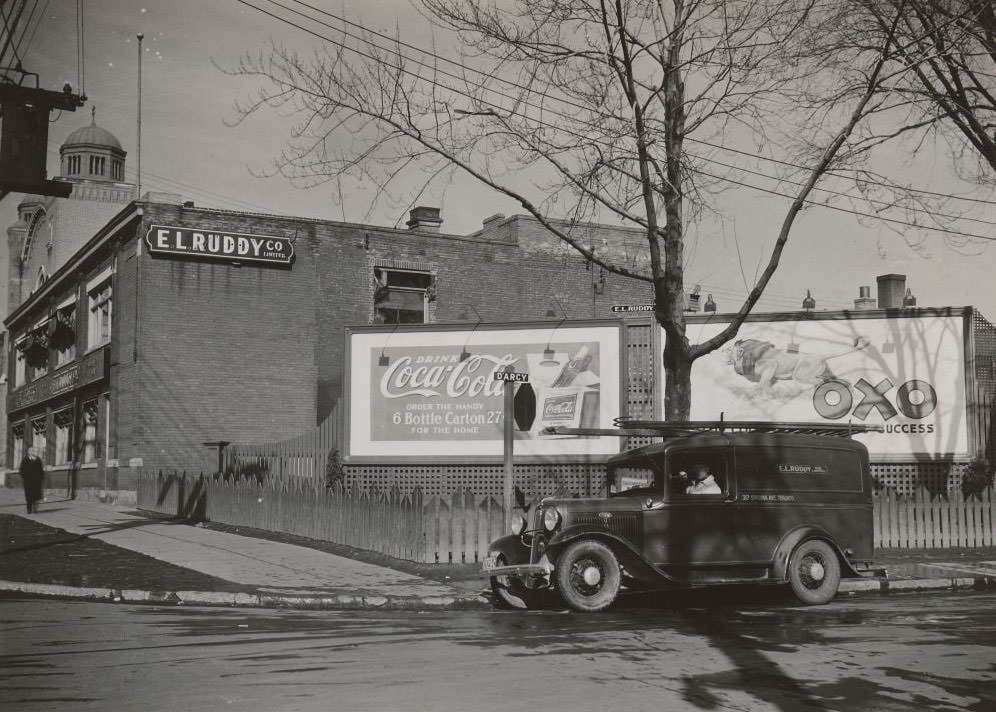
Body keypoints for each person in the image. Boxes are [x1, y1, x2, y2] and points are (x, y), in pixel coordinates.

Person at [19, 447, 45, 513]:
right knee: (28, 495)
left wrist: (41, 479)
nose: (33, 452)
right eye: (31, 451)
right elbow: (21, 470)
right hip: (28, 482)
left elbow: (41, 470)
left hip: (36, 481)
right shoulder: (25, 460)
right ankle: (29, 509)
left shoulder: (38, 460)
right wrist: (25, 477)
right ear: (29, 452)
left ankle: (35, 509)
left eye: (34, 451)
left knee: (36, 495)